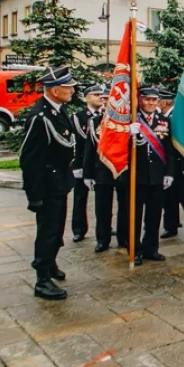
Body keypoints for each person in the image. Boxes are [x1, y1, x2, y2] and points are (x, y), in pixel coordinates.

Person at [20, 66, 78, 301]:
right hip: (46, 185)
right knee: (47, 231)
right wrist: (34, 195)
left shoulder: (57, 111)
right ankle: (42, 279)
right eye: (68, 87)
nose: (72, 91)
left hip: (59, 182)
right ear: (55, 90)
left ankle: (51, 263)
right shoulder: (40, 117)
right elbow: (29, 159)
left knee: (57, 229)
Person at [127, 87, 174, 265]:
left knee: (154, 215)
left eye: (154, 100)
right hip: (136, 177)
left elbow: (169, 150)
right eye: (147, 100)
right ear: (140, 100)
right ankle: (135, 249)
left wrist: (169, 173)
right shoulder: (132, 120)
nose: (151, 103)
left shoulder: (163, 120)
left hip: (157, 176)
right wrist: (127, 134)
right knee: (135, 216)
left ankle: (151, 248)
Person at [82, 89, 130, 252]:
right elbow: (89, 148)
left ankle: (124, 237)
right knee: (102, 207)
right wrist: (87, 174)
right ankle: (102, 239)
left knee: (125, 206)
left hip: (123, 168)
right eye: (106, 99)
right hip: (102, 169)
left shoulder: (128, 121)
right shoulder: (95, 121)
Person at [159, 89, 184, 239]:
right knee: (168, 196)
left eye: (158, 101)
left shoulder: (180, 116)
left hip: (181, 164)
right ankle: (171, 226)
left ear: (164, 102)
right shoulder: (162, 117)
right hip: (167, 164)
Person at [70, 84, 105, 242]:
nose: (100, 97)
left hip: (101, 163)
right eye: (95, 94)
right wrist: (77, 166)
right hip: (83, 162)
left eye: (101, 95)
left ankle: (105, 228)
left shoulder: (106, 116)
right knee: (79, 198)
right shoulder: (78, 117)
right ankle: (79, 229)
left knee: (103, 200)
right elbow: (76, 143)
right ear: (86, 98)